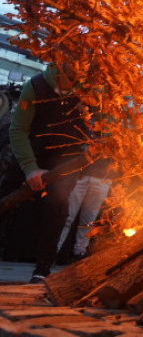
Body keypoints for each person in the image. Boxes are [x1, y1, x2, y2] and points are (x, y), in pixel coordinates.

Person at [0, 61, 89, 283]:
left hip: (66, 158)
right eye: (68, 82)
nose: (71, 87)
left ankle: (42, 269)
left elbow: (99, 127)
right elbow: (18, 130)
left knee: (57, 208)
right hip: (32, 150)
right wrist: (30, 169)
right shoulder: (36, 86)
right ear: (58, 72)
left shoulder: (90, 91)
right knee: (5, 196)